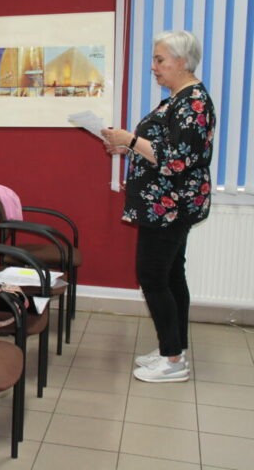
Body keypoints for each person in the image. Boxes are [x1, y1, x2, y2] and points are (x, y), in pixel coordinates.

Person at [101, 30, 215, 384]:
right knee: (171, 274)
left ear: (181, 62)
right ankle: (173, 346)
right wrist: (127, 147)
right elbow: (162, 149)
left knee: (152, 276)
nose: (153, 67)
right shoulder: (177, 99)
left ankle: (173, 359)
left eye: (160, 60)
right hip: (164, 204)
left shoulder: (194, 102)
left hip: (170, 207)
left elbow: (178, 159)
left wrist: (131, 139)